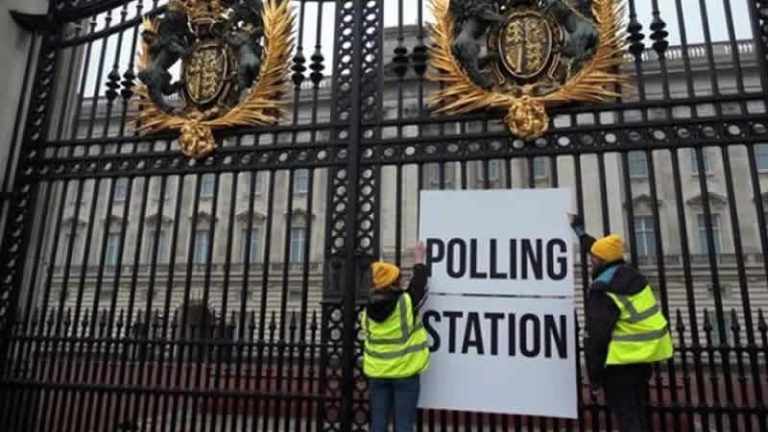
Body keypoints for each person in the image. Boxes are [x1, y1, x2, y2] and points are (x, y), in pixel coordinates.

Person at [569, 214, 674, 432]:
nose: (590, 260)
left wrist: (595, 379)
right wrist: (578, 228)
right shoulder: (631, 275)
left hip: (620, 363)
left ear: (600, 261)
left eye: (594, 258)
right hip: (644, 358)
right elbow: (598, 250)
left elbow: (596, 338)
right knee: (638, 413)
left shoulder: (603, 288)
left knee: (628, 419)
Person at [360, 243, 430, 432]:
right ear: (394, 283)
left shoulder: (367, 311)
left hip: (377, 374)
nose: (403, 280)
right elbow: (419, 284)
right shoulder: (405, 303)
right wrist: (419, 259)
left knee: (377, 425)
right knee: (404, 426)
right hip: (405, 373)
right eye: (399, 278)